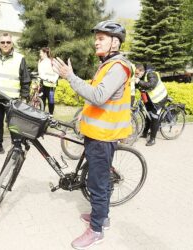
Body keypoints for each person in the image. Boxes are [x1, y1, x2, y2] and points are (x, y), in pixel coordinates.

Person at [52, 20, 133, 249]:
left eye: (102, 38)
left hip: (102, 138)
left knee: (97, 184)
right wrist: (82, 116)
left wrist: (70, 76)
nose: (96, 41)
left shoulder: (118, 67)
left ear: (115, 42)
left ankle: (97, 230)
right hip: (96, 134)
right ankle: (102, 216)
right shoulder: (107, 65)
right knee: (100, 179)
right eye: (96, 37)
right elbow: (97, 100)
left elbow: (98, 95)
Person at [0, 33, 31, 155]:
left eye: (8, 42)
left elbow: (25, 79)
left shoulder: (20, 58)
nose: (5, 44)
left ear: (12, 44)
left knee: (13, 124)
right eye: (3, 42)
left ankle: (17, 147)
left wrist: (24, 97)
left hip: (12, 98)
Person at [135, 63, 168, 146]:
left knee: (154, 117)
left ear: (142, 71)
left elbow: (151, 85)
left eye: (137, 73)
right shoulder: (142, 76)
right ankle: (145, 132)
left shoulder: (151, 74)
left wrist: (139, 82)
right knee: (148, 114)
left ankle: (153, 139)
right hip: (151, 98)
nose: (136, 75)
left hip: (160, 98)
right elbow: (138, 85)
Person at [38, 47, 59, 114]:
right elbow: (40, 73)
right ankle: (42, 114)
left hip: (51, 85)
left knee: (51, 100)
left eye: (40, 53)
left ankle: (51, 115)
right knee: (42, 99)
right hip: (42, 84)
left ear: (44, 53)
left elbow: (57, 72)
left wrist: (53, 79)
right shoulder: (41, 61)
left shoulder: (52, 61)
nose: (40, 54)